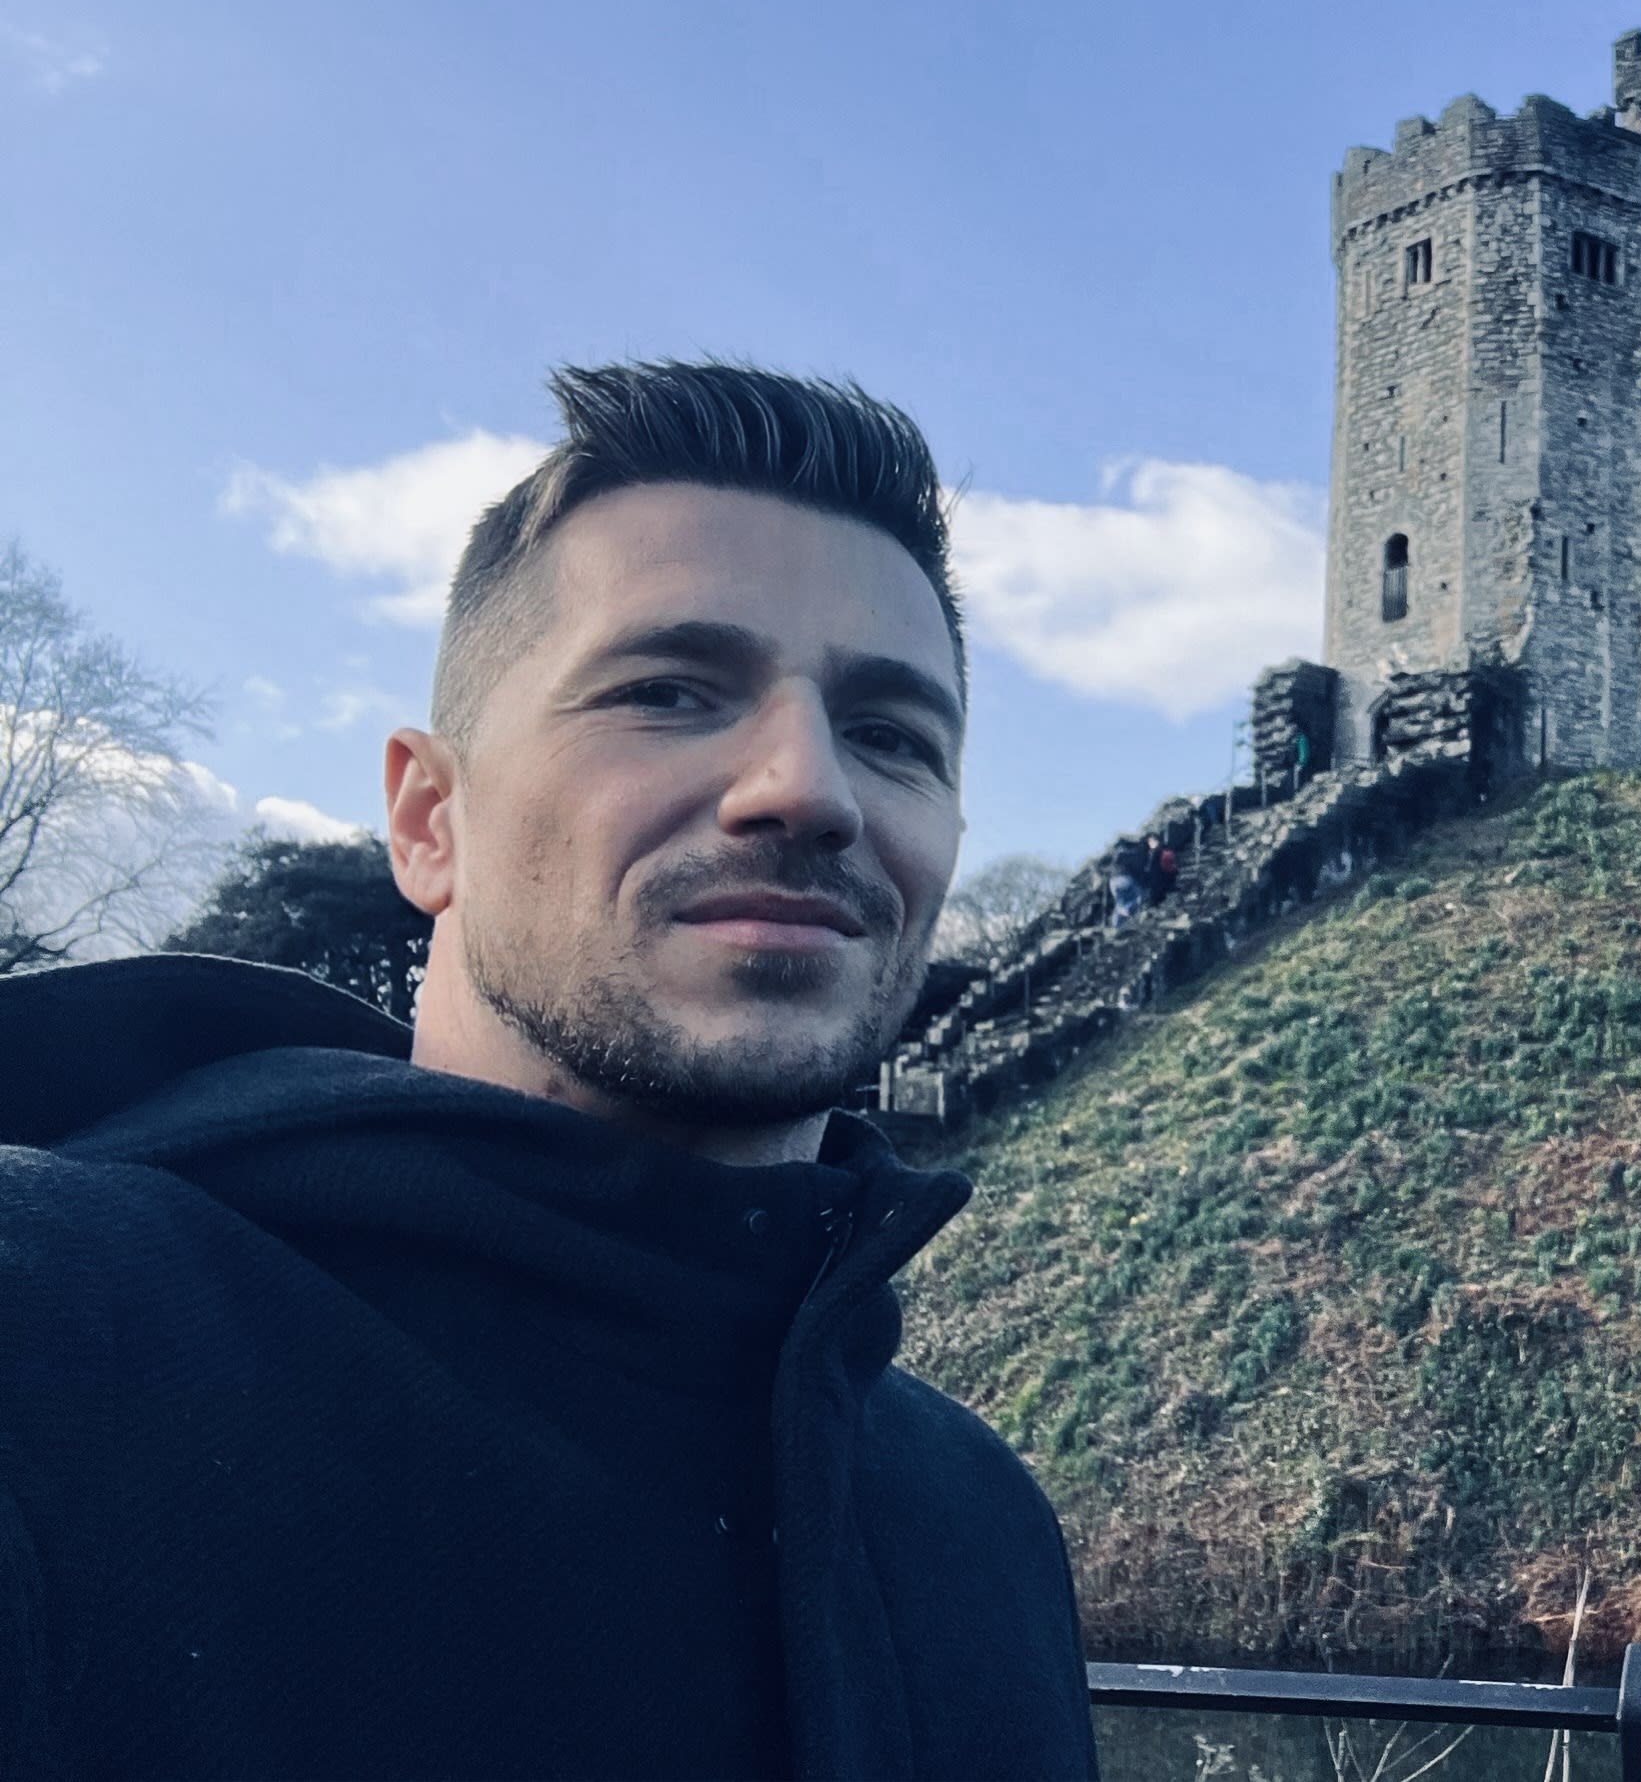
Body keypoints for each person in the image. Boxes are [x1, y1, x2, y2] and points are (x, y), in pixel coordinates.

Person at [0, 362, 1099, 1777]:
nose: (809, 788)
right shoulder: (47, 1340)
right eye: (669, 691)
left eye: (891, 734)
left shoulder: (978, 1519)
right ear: (427, 819)